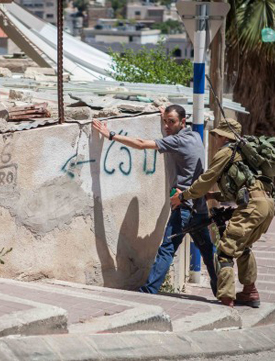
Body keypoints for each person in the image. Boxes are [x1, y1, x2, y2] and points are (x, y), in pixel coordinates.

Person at [92, 105, 218, 296]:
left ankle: (149, 291)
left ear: (183, 122)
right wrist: (165, 115)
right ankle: (223, 291)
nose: (167, 125)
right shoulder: (195, 136)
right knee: (208, 253)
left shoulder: (177, 141)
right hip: (198, 207)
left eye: (171, 122)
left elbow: (142, 144)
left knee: (167, 249)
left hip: (183, 206)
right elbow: (171, 135)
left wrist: (111, 135)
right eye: (165, 121)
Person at [170, 118, 275, 307]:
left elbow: (206, 179)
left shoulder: (226, 152)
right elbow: (242, 186)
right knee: (242, 247)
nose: (216, 139)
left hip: (251, 205)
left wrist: (184, 196)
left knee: (225, 252)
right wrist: (214, 196)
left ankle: (226, 298)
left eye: (217, 136)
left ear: (221, 136)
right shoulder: (245, 153)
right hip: (266, 204)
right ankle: (250, 292)